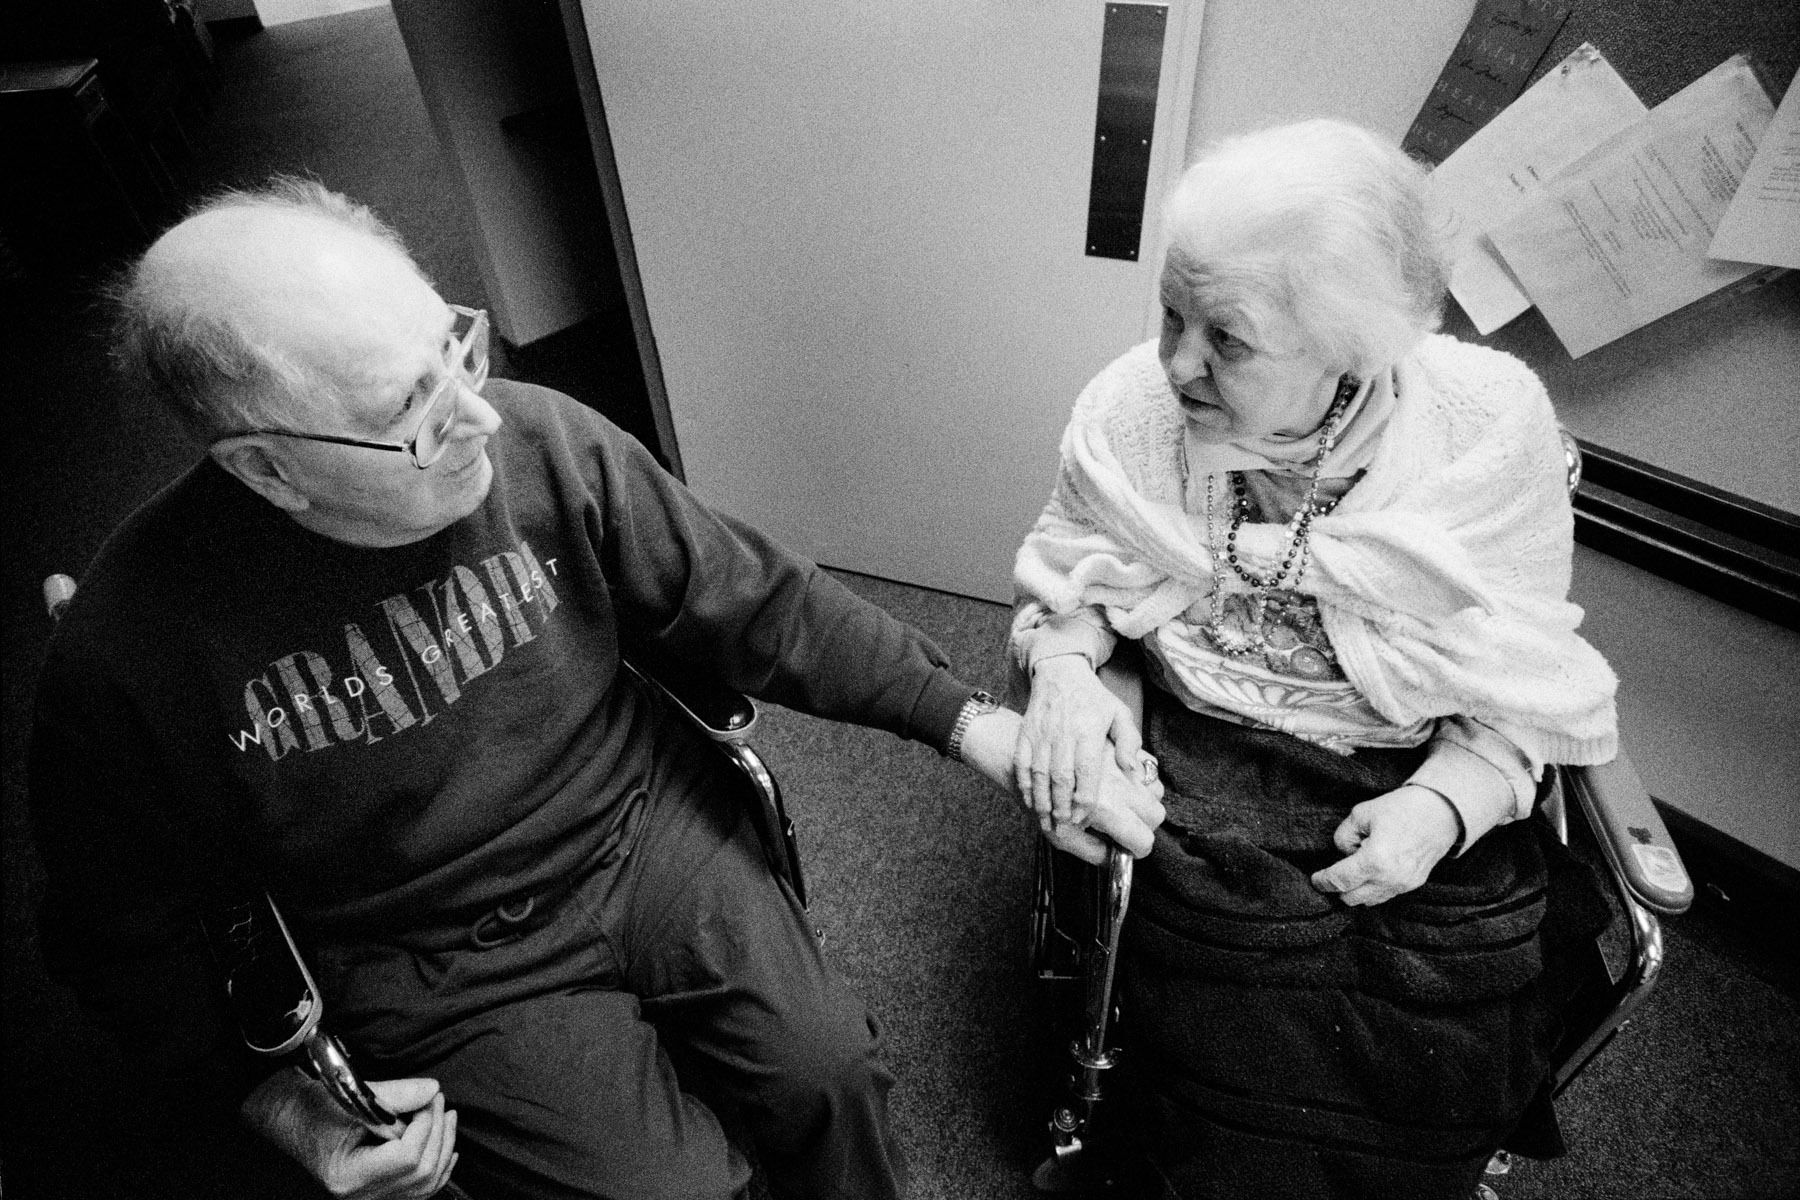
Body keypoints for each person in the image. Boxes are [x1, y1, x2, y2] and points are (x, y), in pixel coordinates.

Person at [27, 179, 1165, 1200]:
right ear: (265, 466)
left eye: (456, 350)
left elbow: (763, 603)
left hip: (644, 825)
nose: (479, 415)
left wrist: (977, 727)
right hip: (436, 958)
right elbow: (120, 937)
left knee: (834, 1079)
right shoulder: (129, 650)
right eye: (408, 415)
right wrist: (282, 1107)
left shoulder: (539, 442)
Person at [1010, 119, 1618, 1199]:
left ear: (1350, 347)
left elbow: (1524, 664)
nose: (1175, 361)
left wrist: (1450, 803)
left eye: (1227, 340)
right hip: (1203, 741)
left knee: (1470, 977)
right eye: (1170, 313)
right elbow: (1075, 577)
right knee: (1224, 973)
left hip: (1407, 746)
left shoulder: (1484, 426)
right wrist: (1064, 667)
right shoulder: (1129, 409)